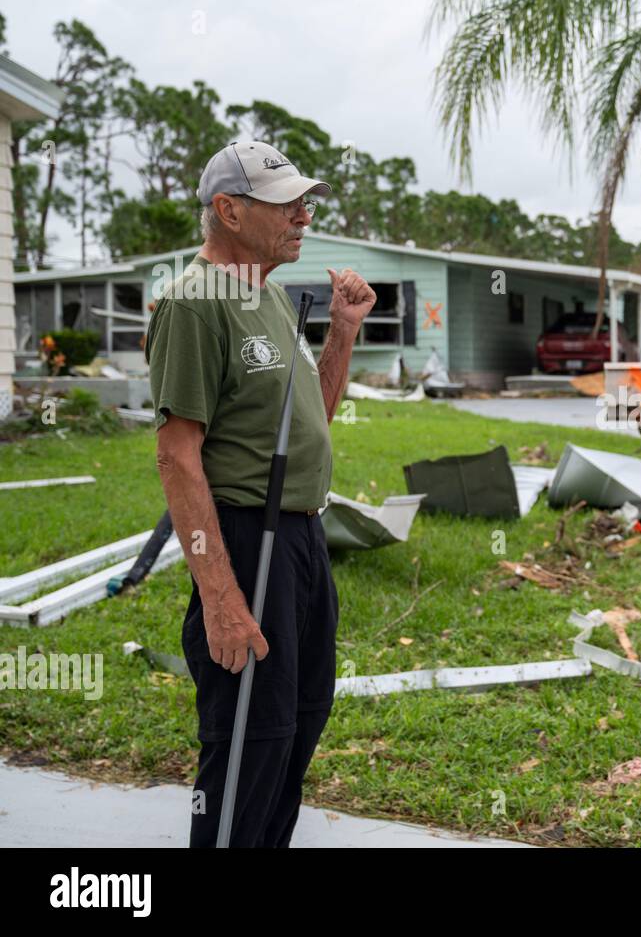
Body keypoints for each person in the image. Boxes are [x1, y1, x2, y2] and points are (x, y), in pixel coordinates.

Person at [147, 141, 376, 847]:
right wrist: (220, 599)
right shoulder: (194, 303)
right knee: (248, 741)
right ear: (229, 210)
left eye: (306, 201)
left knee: (297, 727)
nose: (304, 215)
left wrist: (342, 332)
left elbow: (312, 416)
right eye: (288, 203)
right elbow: (177, 457)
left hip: (304, 542)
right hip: (249, 541)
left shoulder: (270, 297)